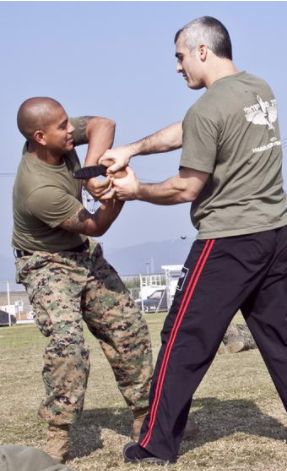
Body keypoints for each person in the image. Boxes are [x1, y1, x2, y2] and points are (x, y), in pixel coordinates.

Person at [102, 16, 287, 465]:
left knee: (183, 336)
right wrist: (132, 149)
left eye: (180, 56)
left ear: (202, 50)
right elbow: (190, 130)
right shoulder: (259, 89)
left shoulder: (207, 109)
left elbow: (186, 188)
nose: (177, 67)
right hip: (278, 231)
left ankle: (155, 445)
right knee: (284, 332)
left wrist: (135, 190)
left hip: (230, 240)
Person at [12, 97, 153, 462]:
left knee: (129, 329)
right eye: (61, 127)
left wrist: (89, 172)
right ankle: (58, 434)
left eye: (67, 122)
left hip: (82, 254)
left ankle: (146, 418)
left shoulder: (60, 140)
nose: (69, 129)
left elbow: (103, 123)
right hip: (46, 263)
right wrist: (117, 195)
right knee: (67, 342)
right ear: (40, 137)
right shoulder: (38, 189)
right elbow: (96, 225)